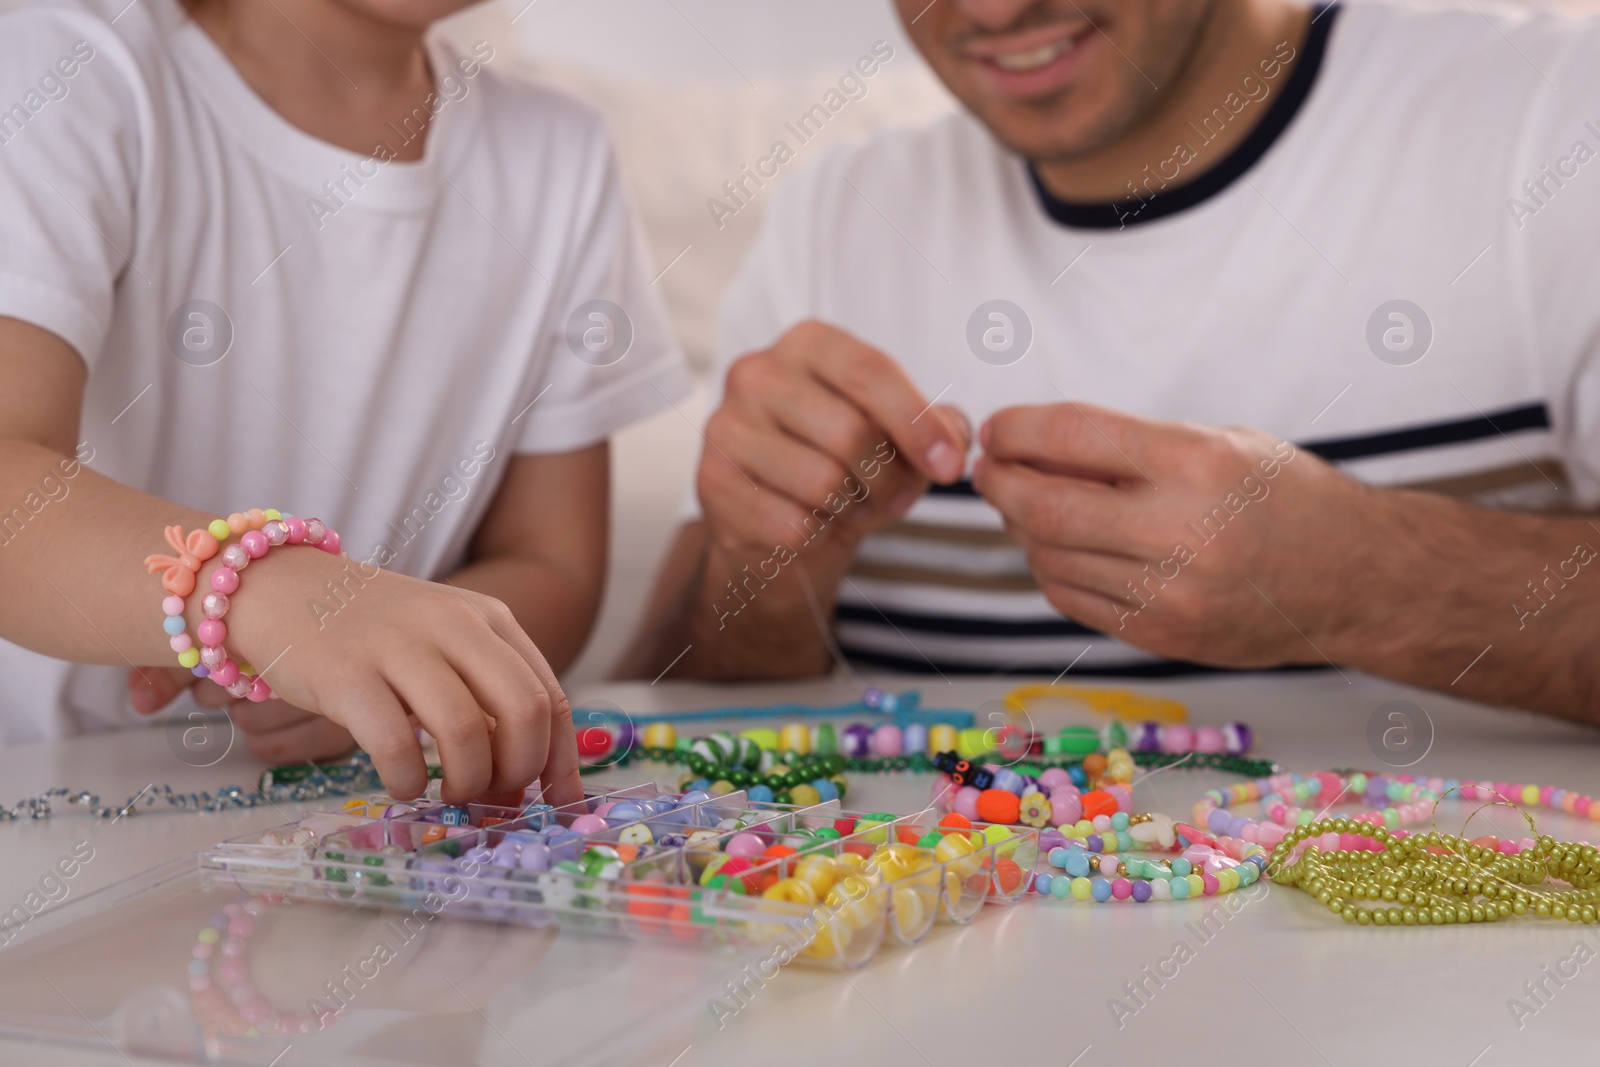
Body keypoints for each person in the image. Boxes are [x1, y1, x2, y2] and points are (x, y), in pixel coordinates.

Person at [625, 0, 1600, 718]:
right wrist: (763, 566)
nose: (992, 11)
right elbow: (655, 705)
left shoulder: (1553, 120)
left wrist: (1364, 578)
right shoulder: (835, 215)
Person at [0, 0, 690, 802]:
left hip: (350, 806)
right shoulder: (74, 59)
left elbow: (556, 565)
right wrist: (276, 602)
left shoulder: (561, 155)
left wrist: (392, 675)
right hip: (40, 801)